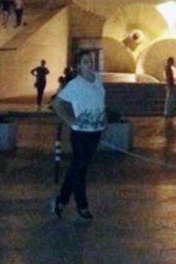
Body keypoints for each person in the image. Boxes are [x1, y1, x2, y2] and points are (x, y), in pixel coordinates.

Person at [52, 50, 106, 222]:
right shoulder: (75, 84)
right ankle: (82, 206)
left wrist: (104, 116)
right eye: (85, 62)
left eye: (90, 61)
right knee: (80, 169)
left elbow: (101, 101)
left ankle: (61, 201)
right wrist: (70, 122)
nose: (89, 65)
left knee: (77, 168)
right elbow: (57, 104)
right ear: (78, 66)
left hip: (95, 131)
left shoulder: (97, 80)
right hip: (81, 134)